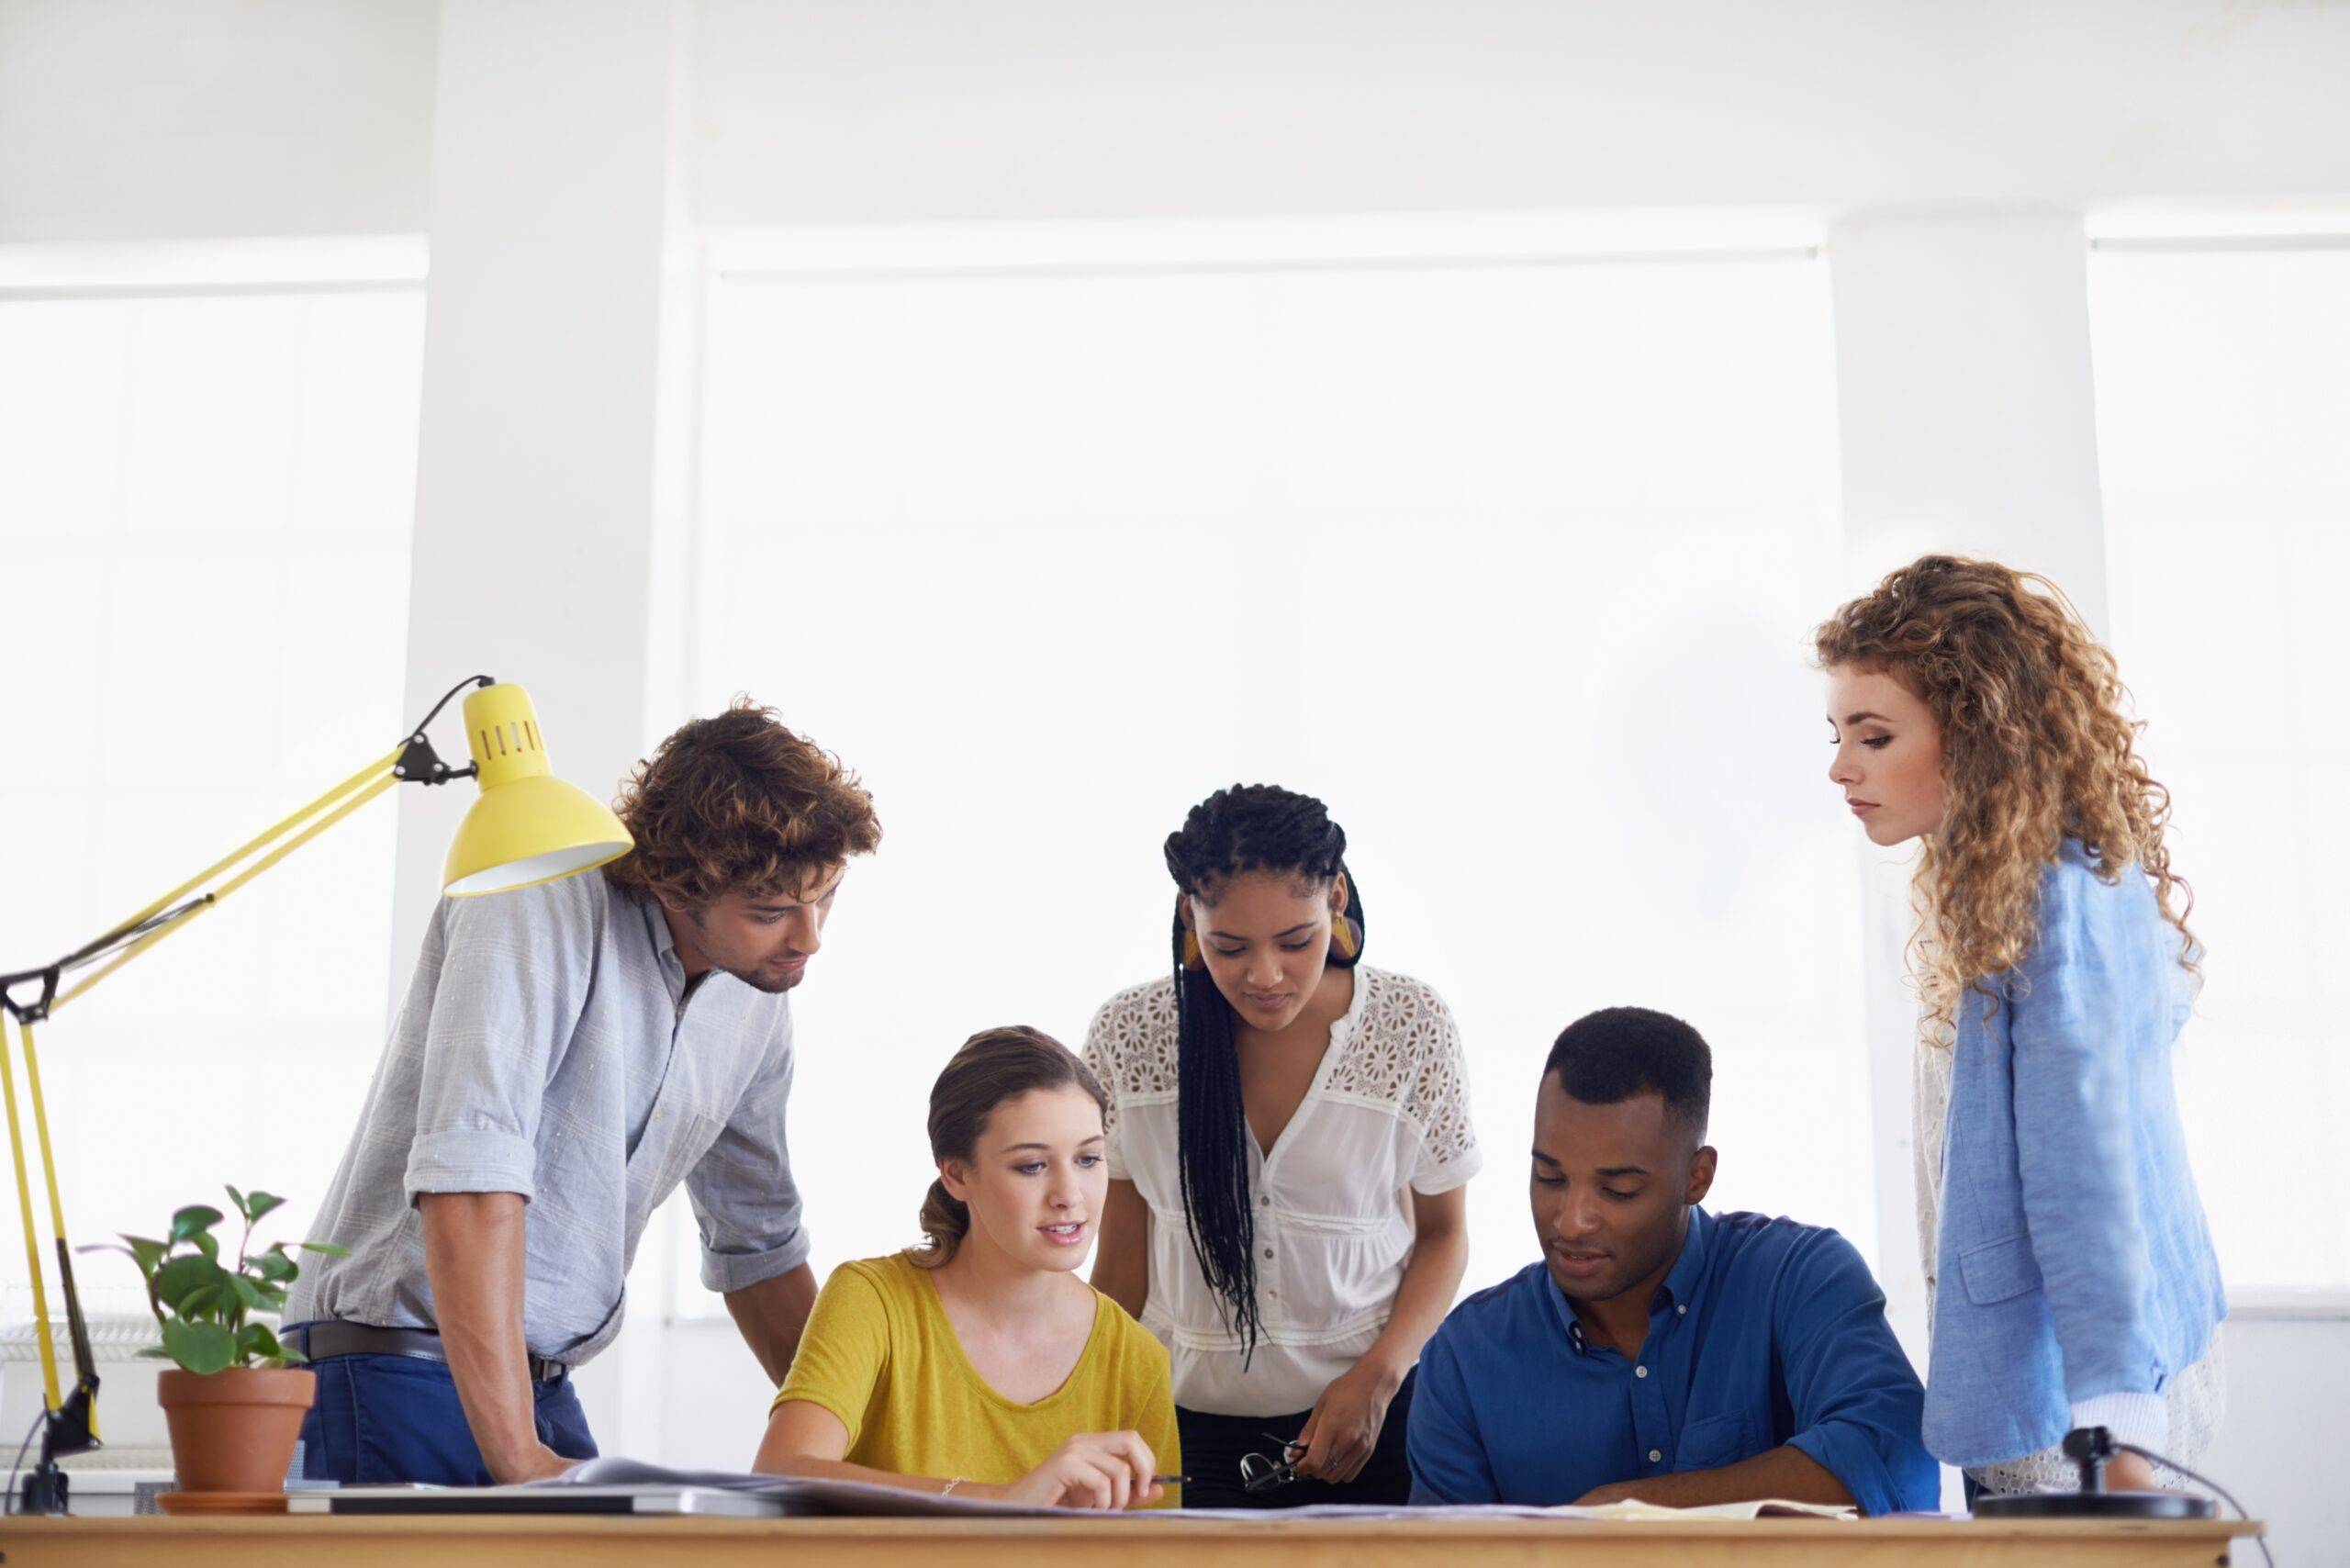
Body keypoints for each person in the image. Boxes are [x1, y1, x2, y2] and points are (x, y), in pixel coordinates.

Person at [286, 700, 880, 1484]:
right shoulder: (535, 892)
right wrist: (519, 1462)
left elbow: (759, 1244)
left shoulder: (755, 997)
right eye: (771, 912)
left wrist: (883, 1463)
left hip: (540, 1380)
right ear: (676, 884)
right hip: (393, 1367)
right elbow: (470, 1177)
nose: (809, 939)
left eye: (824, 898)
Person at [1816, 554, 2226, 1498]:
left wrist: (2115, 1421)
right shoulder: (2002, 886)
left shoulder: (2055, 904)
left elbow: (2091, 1166)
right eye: (1838, 734)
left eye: (1872, 736)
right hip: (2059, 1382)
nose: (1841, 767)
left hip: (2078, 1402)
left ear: (1974, 734)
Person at [1085, 784, 1477, 1508]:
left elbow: (1444, 1236)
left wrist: (1379, 1378)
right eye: (1229, 947)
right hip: (1173, 1429)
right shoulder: (1130, 1035)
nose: (1264, 975)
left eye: (1296, 941)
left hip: (1375, 1418)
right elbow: (1122, 1261)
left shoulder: (1410, 1025)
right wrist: (1079, 1412)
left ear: (1336, 898)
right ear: (1188, 916)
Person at [1408, 1007, 1938, 1514]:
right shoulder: (1466, 1358)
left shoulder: (1798, 1276)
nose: (1571, 1221)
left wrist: (1629, 1511)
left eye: (1618, 1189)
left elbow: (1895, 1456)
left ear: (1697, 1177)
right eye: (1550, 1178)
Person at [755, 1026, 1179, 1508]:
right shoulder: (872, 1301)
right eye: (1032, 1166)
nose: (1070, 1195)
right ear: (957, 1174)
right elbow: (780, 1473)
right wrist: (1003, 1500)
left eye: (1088, 1159)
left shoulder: (1137, 1359)